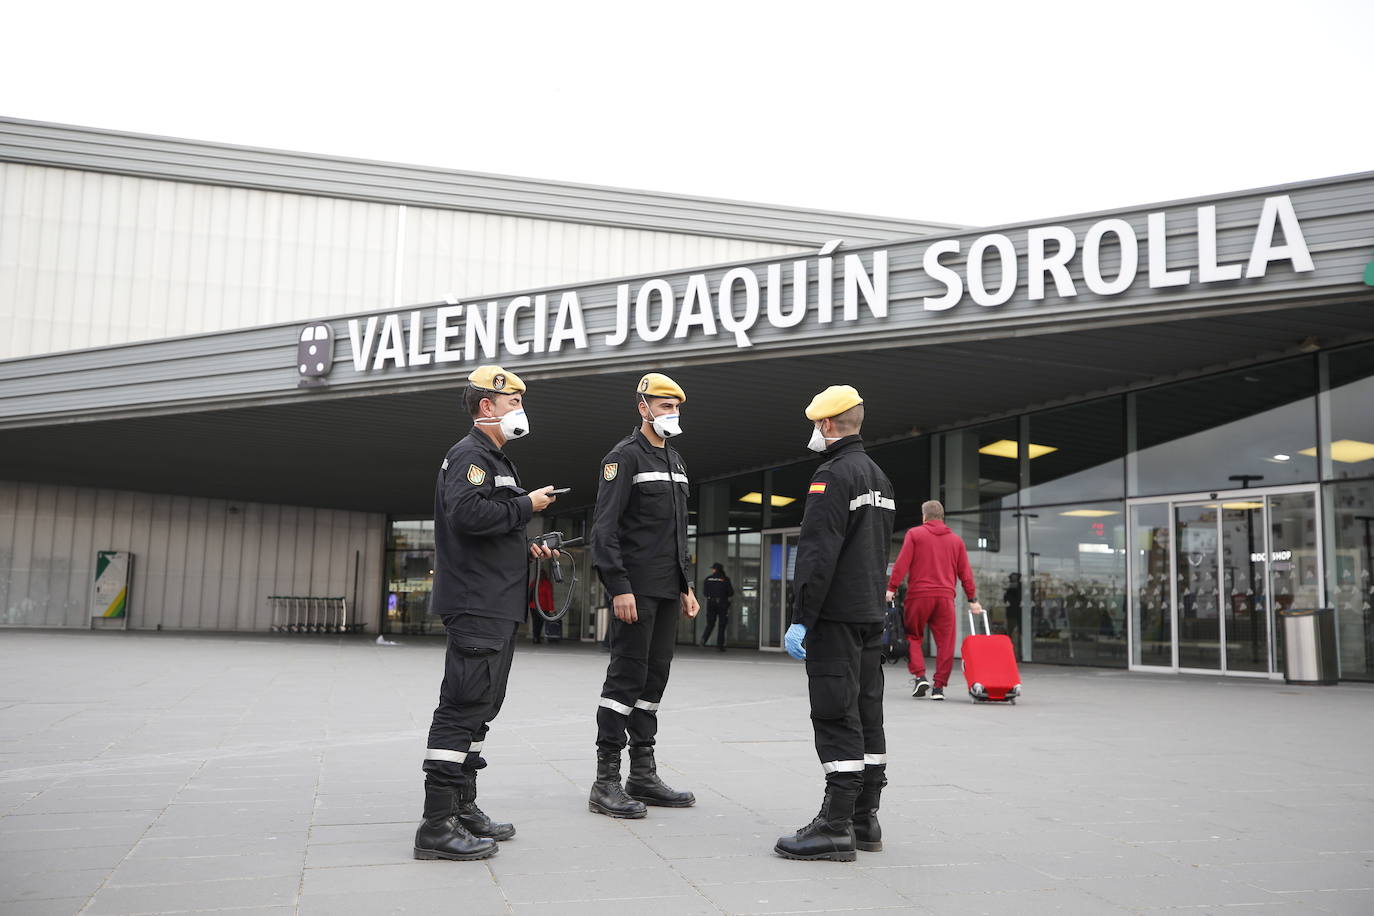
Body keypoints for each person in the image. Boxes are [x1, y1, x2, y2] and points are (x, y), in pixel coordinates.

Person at [414, 365, 559, 862]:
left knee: (482, 707)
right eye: (513, 401)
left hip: (496, 603)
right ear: (486, 407)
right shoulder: (470, 455)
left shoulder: (495, 459)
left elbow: (489, 528)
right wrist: (526, 505)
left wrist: (527, 544)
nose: (520, 409)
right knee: (461, 706)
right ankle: (436, 824)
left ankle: (463, 808)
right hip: (477, 605)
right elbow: (468, 516)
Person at [776, 385, 895, 862]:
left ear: (827, 425)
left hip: (836, 617)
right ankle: (867, 817)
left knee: (834, 711)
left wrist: (803, 617)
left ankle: (835, 825)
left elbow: (818, 554)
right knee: (869, 713)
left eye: (815, 426)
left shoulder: (832, 474)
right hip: (870, 614)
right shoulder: (880, 477)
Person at [588, 372, 700, 818]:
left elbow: (675, 533)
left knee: (654, 682)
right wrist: (618, 587)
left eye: (677, 407)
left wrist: (685, 585)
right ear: (643, 407)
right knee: (625, 681)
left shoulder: (677, 460)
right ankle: (606, 781)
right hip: (634, 592)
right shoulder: (623, 458)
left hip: (667, 590)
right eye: (664, 405)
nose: (672, 413)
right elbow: (605, 529)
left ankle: (643, 774)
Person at [885, 500, 984, 701]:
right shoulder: (956, 541)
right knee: (946, 643)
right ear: (942, 516)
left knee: (913, 636)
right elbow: (965, 573)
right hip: (945, 598)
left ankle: (920, 676)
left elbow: (902, 564)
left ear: (924, 516)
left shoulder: (915, 534)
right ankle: (938, 687)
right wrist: (972, 599)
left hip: (918, 596)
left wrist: (891, 588)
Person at [700, 562, 734, 651]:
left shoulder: (708, 579)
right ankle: (720, 645)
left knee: (710, 624)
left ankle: (703, 640)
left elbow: (705, 593)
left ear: (715, 570)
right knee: (722, 625)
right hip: (722, 603)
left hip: (711, 603)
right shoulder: (725, 579)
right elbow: (731, 592)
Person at [527, 575, 554, 643]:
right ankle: (537, 637)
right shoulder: (547, 584)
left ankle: (535, 637)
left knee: (535, 622)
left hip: (533, 606)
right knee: (540, 623)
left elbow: (529, 592)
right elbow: (549, 597)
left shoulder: (534, 582)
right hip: (543, 607)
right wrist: (551, 608)